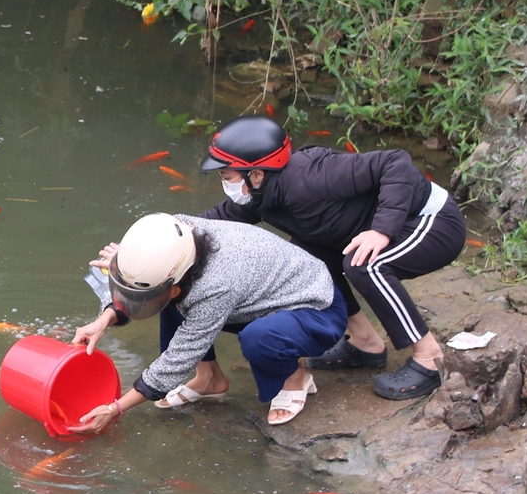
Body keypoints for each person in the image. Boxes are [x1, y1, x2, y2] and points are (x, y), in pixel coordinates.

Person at [194, 116, 466, 401]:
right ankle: (365, 343)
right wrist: (175, 230)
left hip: (431, 220)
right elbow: (219, 220)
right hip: (393, 223)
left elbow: (395, 163)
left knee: (365, 263)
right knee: (308, 258)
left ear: (257, 174)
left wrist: (381, 230)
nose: (224, 182)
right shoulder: (264, 195)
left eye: (227, 176)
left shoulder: (312, 176)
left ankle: (430, 357)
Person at [68, 212, 348, 432]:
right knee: (169, 300)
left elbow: (180, 357)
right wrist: (104, 319)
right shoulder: (170, 237)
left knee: (258, 338)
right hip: (257, 294)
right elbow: (136, 284)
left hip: (315, 307)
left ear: (175, 285)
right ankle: (209, 379)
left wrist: (115, 408)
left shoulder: (215, 287)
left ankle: (294, 378)